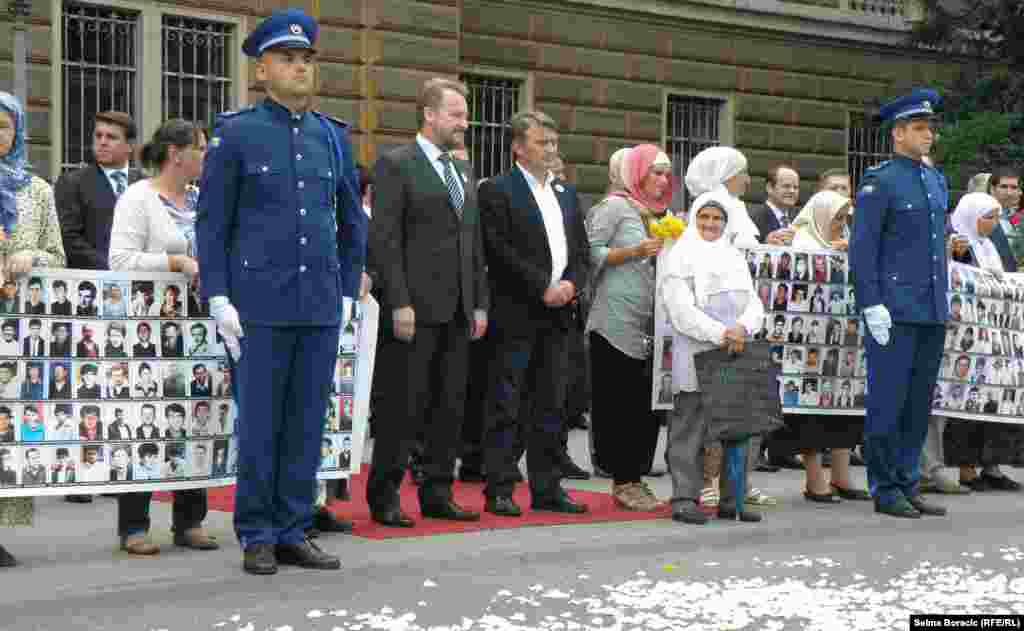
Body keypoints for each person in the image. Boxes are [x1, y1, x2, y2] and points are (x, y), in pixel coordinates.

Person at [197, 8, 366, 575]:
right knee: (262, 424)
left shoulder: (332, 136)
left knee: (305, 423)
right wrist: (219, 297)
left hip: (318, 301)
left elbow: (350, 222)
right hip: (258, 306)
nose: (299, 68)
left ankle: (294, 528)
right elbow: (213, 224)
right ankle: (257, 533)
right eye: (287, 59)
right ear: (262, 69)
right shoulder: (237, 132)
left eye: (306, 60)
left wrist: (345, 290)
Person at [365, 78, 486, 526]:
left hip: (457, 310)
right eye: (456, 113)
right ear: (429, 115)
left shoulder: (462, 171)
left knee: (449, 406)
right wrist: (398, 300)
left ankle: (438, 491)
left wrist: (478, 304)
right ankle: (385, 495)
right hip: (413, 311)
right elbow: (385, 239)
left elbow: (471, 243)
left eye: (465, 113)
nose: (464, 122)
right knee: (402, 406)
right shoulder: (397, 164)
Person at [108, 118, 218, 557]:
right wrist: (175, 263)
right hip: (149, 330)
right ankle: (134, 524)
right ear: (177, 154)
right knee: (142, 422)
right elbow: (119, 260)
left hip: (200, 328)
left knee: (197, 420)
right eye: (201, 148)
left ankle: (190, 519)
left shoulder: (199, 199)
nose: (206, 157)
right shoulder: (138, 199)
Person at [477, 109, 589, 518]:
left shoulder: (566, 193)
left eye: (554, 144)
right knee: (507, 402)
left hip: (561, 313)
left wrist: (572, 285)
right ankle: (500, 487)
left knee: (551, 403)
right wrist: (542, 284)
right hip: (518, 311)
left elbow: (581, 250)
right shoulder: (498, 191)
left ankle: (547, 487)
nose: (551, 151)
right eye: (543, 143)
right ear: (518, 148)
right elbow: (498, 249)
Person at [850, 88, 949, 519]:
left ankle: (908, 480)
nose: (928, 135)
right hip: (893, 309)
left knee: (917, 403)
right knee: (888, 402)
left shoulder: (934, 179)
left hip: (929, 308)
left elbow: (934, 250)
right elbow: (863, 250)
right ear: (898, 134)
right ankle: (885, 485)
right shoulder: (881, 180)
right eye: (920, 128)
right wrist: (871, 303)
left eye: (930, 128)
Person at [660, 188, 766, 524]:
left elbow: (754, 303)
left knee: (738, 429)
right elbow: (681, 311)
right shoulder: (679, 255)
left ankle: (732, 499)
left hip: (734, 350)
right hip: (697, 351)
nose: (710, 224)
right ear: (694, 218)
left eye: (717, 218)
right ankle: (684, 498)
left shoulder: (733, 255)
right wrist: (720, 334)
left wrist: (742, 328)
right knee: (690, 428)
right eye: (704, 217)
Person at [0, 89, 71, 561]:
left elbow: (60, 258)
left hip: (16, 330)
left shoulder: (38, 191)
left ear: (17, 132)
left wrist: (33, 257)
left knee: (5, 429)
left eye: (3, 126)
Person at [586, 144, 673, 511]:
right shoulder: (615, 207)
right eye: (656, 172)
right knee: (619, 403)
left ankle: (637, 475)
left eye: (667, 173)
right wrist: (635, 251)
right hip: (616, 320)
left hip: (652, 321)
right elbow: (590, 251)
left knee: (645, 406)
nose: (663, 179)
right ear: (636, 174)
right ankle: (622, 480)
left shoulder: (661, 213)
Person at [769, 191, 870, 503]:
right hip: (809, 344)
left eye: (844, 219)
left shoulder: (846, 241)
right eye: (836, 218)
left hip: (844, 342)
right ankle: (815, 480)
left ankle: (841, 476)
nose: (841, 224)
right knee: (810, 413)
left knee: (845, 410)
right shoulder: (802, 241)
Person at [943, 192, 1022, 493]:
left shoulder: (990, 245)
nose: (992, 223)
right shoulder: (959, 244)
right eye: (987, 217)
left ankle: (993, 464)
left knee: (997, 399)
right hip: (969, 336)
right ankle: (966, 467)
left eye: (994, 218)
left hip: (998, 336)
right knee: (968, 399)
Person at [55, 111, 140, 270]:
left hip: (142, 281)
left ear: (130, 146)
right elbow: (68, 238)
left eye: (111, 137)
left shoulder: (145, 183)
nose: (102, 142)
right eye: (98, 136)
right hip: (93, 280)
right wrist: (112, 267)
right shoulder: (72, 182)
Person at [749, 164, 802, 246]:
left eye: (796, 187)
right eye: (786, 186)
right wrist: (764, 244)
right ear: (769, 188)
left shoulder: (800, 219)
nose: (792, 191)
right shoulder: (753, 217)